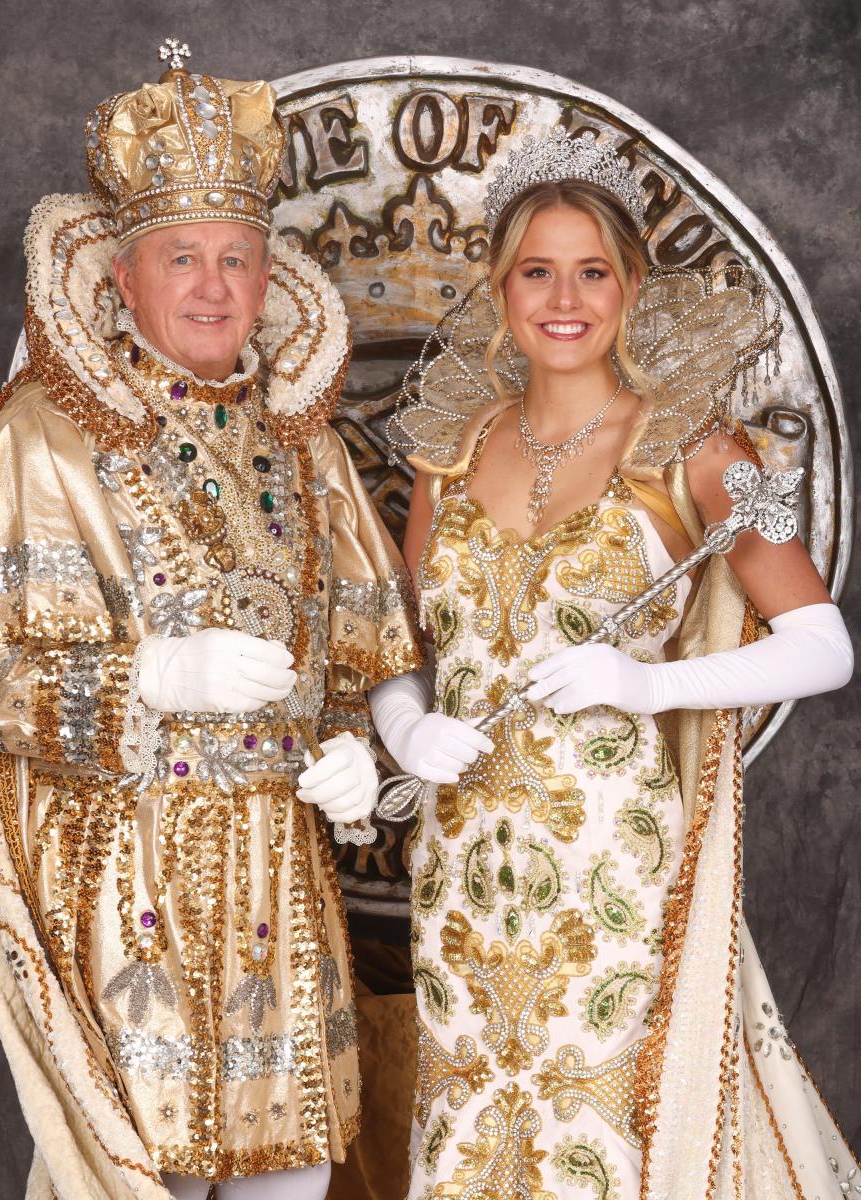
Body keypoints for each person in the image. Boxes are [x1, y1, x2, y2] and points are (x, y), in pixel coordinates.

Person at [0, 43, 424, 1200]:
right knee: (143, 1177)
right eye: (181, 256)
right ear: (123, 277)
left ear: (269, 275)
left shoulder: (306, 441)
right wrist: (148, 675)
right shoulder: (43, 432)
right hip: (123, 884)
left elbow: (362, 658)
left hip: (280, 883)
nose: (212, 286)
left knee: (291, 1175)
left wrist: (352, 747)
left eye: (237, 258)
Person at [369, 127, 856, 1197]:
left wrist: (648, 685)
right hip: (459, 861)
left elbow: (825, 647)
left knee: (590, 1128)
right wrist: (406, 723)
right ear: (501, 289)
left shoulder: (710, 455)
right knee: (468, 1125)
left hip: (607, 856)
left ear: (632, 285)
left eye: (592, 271)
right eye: (537, 271)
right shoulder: (446, 456)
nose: (565, 298)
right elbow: (398, 646)